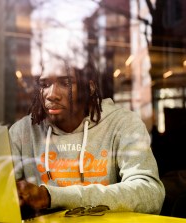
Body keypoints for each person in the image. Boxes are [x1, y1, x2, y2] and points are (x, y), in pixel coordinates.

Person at [9, 60, 165, 217]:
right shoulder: (23, 131)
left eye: (66, 83)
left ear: (90, 88)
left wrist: (51, 196)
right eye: (45, 84)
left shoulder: (123, 123)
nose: (52, 94)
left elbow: (150, 193)